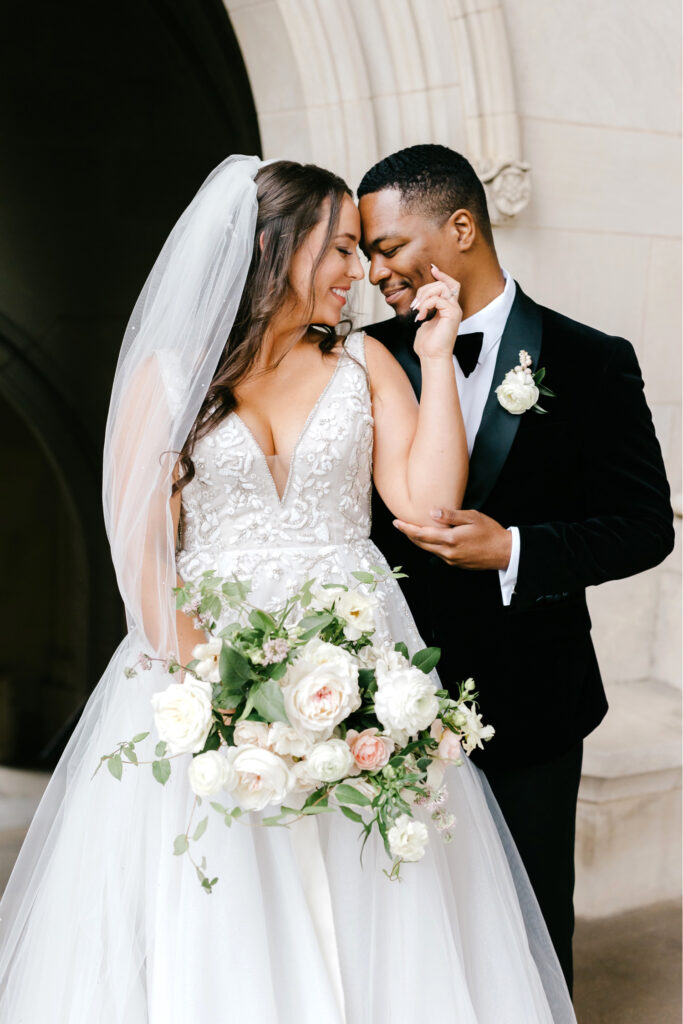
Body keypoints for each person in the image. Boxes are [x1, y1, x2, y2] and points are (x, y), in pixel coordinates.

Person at [0, 155, 577, 1023]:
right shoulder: (169, 377)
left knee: (376, 893)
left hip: (357, 662)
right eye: (340, 249)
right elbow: (145, 561)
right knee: (217, 897)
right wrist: (229, 697)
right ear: (275, 250)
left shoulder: (367, 367)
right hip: (197, 672)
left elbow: (428, 504)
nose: (361, 273)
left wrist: (429, 359)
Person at [358, 143, 675, 991]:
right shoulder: (365, 358)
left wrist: (516, 549)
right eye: (363, 256)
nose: (374, 272)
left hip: (530, 701)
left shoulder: (591, 358)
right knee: (401, 928)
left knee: (530, 927)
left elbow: (645, 527)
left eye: (387, 247)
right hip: (383, 703)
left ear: (460, 226)